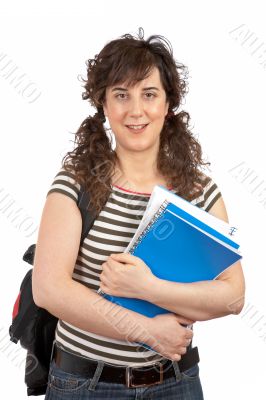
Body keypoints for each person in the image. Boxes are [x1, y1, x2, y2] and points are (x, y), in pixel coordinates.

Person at [32, 27, 245, 400]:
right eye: (120, 95)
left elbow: (232, 296)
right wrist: (146, 330)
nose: (135, 111)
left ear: (168, 104)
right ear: (103, 104)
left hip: (177, 383)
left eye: (149, 94)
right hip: (85, 385)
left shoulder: (198, 191)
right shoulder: (77, 182)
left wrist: (147, 289)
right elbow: (49, 288)